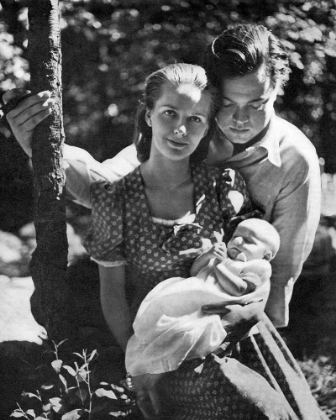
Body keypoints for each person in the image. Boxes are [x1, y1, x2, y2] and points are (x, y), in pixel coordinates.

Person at [3, 26, 326, 420]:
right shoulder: (184, 128)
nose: (240, 120)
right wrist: (44, 145)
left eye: (257, 103)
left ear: (276, 91)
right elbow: (106, 186)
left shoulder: (295, 161)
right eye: (228, 104)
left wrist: (235, 347)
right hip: (149, 308)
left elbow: (281, 273)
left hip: (234, 318)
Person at [126, 218, 279, 378]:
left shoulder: (256, 267)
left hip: (215, 309)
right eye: (235, 236)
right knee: (161, 316)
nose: (237, 241)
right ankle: (144, 368)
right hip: (193, 299)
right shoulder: (224, 257)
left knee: (185, 333)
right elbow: (195, 271)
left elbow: (238, 289)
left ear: (266, 256)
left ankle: (153, 374)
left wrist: (220, 265)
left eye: (248, 241)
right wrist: (208, 256)